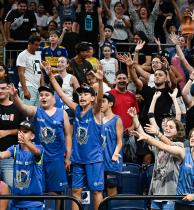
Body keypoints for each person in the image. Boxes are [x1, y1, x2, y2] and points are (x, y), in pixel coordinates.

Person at [44, 62, 104, 210]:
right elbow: (63, 96)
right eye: (80, 94)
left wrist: (101, 81)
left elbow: (100, 99)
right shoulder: (77, 109)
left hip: (93, 159)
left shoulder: (96, 111)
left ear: (92, 98)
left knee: (96, 192)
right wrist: (51, 76)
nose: (82, 96)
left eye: (86, 94)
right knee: (76, 192)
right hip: (78, 159)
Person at [9, 82, 72, 209]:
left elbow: (68, 135)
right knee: (40, 190)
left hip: (56, 159)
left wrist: (68, 156)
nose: (43, 97)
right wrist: (15, 96)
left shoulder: (62, 113)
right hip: (38, 158)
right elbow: (23, 108)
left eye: (46, 95)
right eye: (41, 95)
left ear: (54, 98)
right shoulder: (36, 111)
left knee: (57, 192)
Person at [132, 127, 194, 210]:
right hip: (183, 202)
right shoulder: (183, 152)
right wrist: (147, 138)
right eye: (191, 136)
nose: (192, 138)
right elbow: (162, 146)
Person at [128, 102, 184, 210]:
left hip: (171, 194)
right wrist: (135, 118)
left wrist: (157, 133)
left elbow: (169, 144)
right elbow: (144, 134)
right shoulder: (158, 145)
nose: (167, 128)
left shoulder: (180, 145)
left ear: (178, 132)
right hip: (156, 192)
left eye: (171, 127)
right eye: (166, 126)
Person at [0, 120, 44, 210]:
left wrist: (26, 142)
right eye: (19, 131)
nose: (21, 134)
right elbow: (3, 155)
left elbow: (37, 153)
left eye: (25, 132)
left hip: (33, 203)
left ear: (32, 136)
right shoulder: (15, 149)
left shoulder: (39, 148)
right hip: (16, 202)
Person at [108, 71, 140, 163]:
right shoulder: (109, 95)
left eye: (124, 78)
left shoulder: (132, 95)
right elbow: (104, 114)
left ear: (128, 81)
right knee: (114, 159)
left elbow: (136, 114)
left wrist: (132, 127)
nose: (122, 80)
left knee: (131, 160)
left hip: (129, 133)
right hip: (113, 133)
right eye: (119, 78)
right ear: (115, 81)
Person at [0, 79, 25, 188]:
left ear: (9, 89)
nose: (0, 91)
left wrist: (7, 132)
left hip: (10, 156)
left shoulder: (18, 107)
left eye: (3, 88)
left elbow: (25, 130)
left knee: (11, 188)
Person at [101, 92, 123, 196]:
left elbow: (120, 142)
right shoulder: (98, 120)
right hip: (99, 161)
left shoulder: (116, 119)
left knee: (111, 189)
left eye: (103, 101)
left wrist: (115, 154)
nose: (100, 104)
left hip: (111, 161)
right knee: (99, 190)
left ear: (110, 104)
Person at [16, 35, 42, 106]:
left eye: (38, 45)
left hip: (37, 87)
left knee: (37, 113)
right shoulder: (22, 55)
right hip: (28, 86)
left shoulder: (38, 54)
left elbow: (40, 71)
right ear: (29, 43)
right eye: (36, 45)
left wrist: (42, 87)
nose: (37, 47)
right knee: (27, 113)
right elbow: (21, 73)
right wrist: (25, 90)